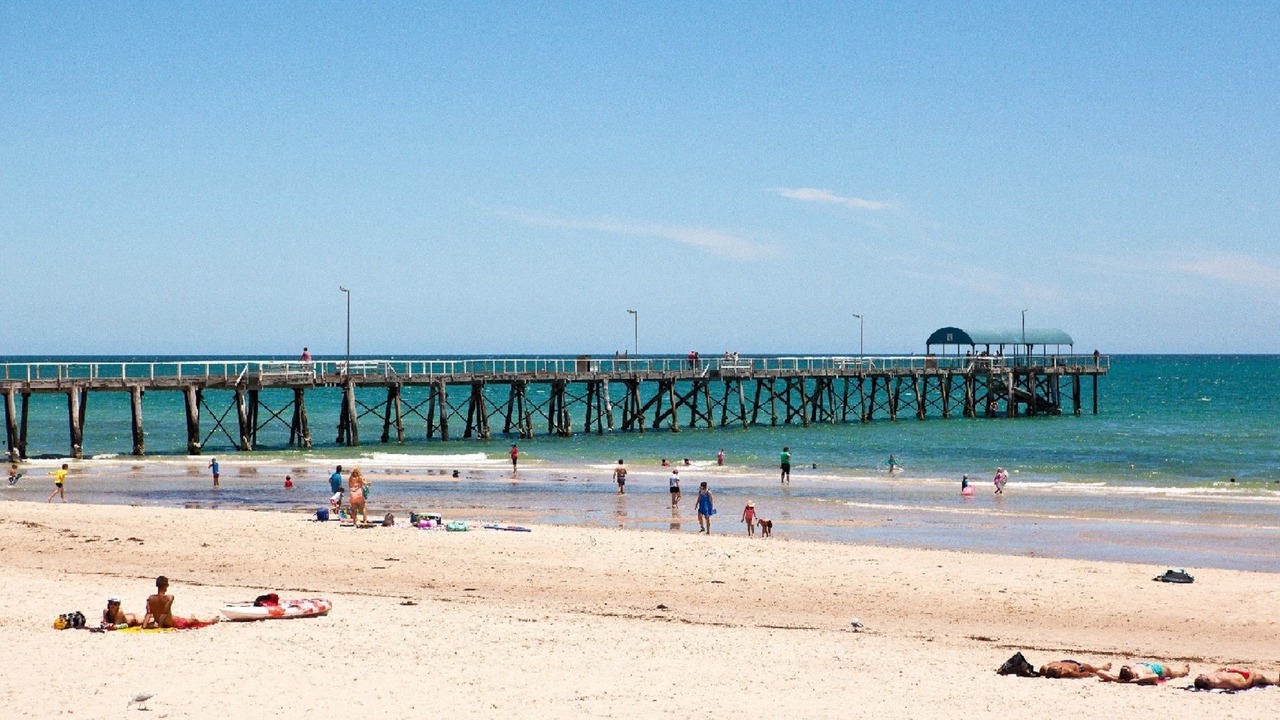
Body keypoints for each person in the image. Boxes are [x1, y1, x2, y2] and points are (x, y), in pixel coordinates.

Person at [143, 576, 217, 629]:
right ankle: (211, 622)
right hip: (171, 623)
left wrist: (144, 626)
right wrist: (160, 626)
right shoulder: (169, 598)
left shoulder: (150, 598)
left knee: (186, 619)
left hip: (165, 621)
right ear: (166, 586)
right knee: (194, 621)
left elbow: (148, 614)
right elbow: (164, 613)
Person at [1096, 662, 1190, 684]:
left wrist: (1114, 679)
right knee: (1176, 674)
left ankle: (1184, 669)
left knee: (1176, 673)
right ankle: (1185, 669)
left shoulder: (1121, 676)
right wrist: (1137, 680)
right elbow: (1155, 676)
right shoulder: (1138, 675)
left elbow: (1099, 672)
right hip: (1154, 668)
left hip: (1146, 665)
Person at [1193, 667, 1279, 690]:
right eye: (1202, 676)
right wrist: (1251, 675)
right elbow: (1244, 686)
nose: (1203, 675)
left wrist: (1220, 670)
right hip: (1242, 679)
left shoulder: (1209, 677)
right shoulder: (1223, 680)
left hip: (1236, 674)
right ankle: (1275, 682)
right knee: (1259, 677)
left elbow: (1214, 673)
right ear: (1207, 681)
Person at [1039, 660, 1112, 679]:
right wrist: (1089, 674)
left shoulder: (1050, 665)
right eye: (1060, 670)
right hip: (1079, 667)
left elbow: (1043, 668)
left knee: (1094, 668)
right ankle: (1103, 667)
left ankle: (1103, 667)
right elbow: (1079, 675)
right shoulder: (1067, 672)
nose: (1061, 668)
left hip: (1066, 662)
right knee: (1094, 669)